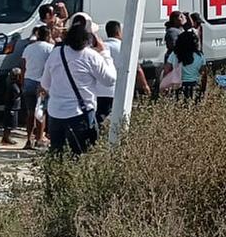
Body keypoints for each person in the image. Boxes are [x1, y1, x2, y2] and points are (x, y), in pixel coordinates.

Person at [39, 13, 116, 155]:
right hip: (80, 115)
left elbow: (45, 83)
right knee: (81, 157)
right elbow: (109, 80)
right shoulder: (91, 56)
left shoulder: (56, 53)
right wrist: (105, 53)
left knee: (57, 158)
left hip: (56, 115)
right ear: (89, 36)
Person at [97, 20, 148, 125]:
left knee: (100, 121)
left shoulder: (101, 48)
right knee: (117, 122)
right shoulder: (125, 48)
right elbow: (137, 69)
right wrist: (145, 86)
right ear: (119, 32)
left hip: (99, 92)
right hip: (118, 91)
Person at [19, 24, 53, 148]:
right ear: (48, 35)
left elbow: (23, 65)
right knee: (41, 112)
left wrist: (22, 81)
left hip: (28, 81)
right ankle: (39, 139)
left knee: (30, 112)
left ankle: (28, 139)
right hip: (42, 83)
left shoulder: (28, 48)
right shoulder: (50, 48)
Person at [164, 29, 207, 102]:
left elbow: (167, 71)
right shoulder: (200, 56)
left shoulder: (174, 54)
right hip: (194, 86)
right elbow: (204, 75)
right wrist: (203, 90)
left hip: (178, 86)